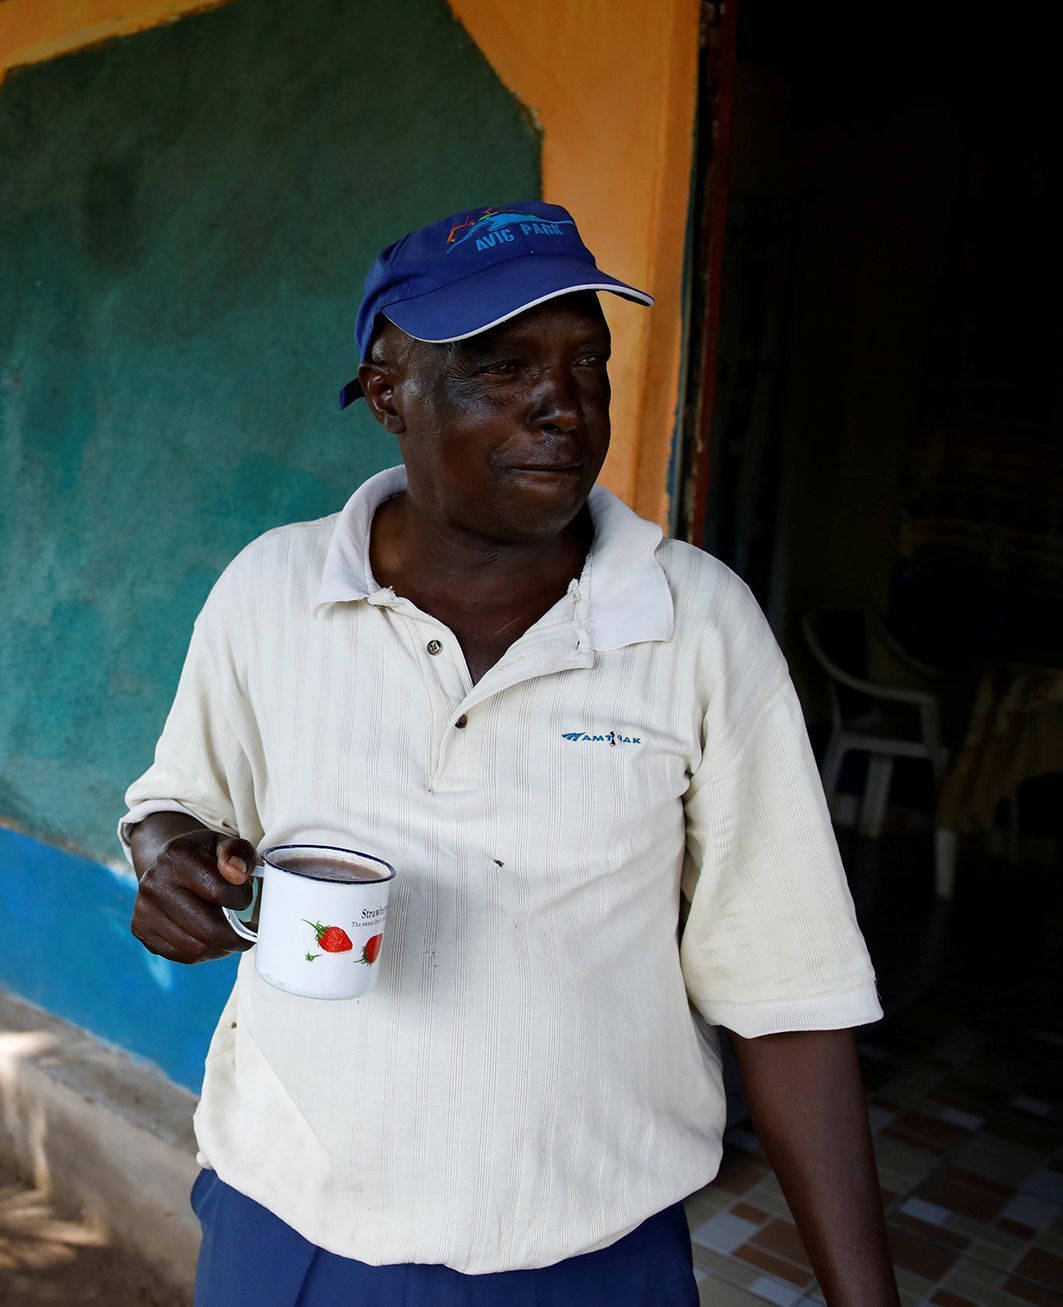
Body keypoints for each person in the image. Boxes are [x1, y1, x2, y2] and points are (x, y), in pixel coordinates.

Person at [124, 202, 899, 1305]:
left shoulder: (695, 623)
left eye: (587, 360)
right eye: (501, 367)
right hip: (291, 1226)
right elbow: (173, 800)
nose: (564, 403)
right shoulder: (273, 590)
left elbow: (789, 992)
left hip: (590, 1258)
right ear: (390, 393)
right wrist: (171, 861)